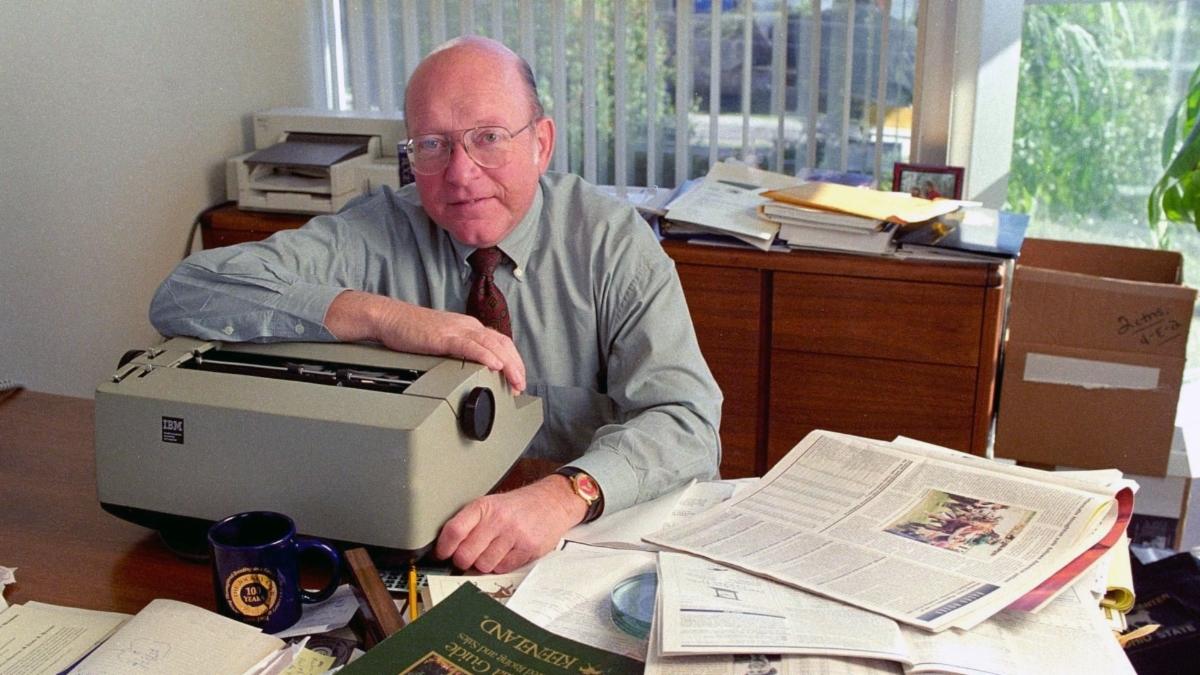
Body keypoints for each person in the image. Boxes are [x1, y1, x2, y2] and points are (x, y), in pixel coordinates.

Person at [149, 36, 722, 574]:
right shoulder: (375, 231)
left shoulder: (613, 245)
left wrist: (564, 494)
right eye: (433, 145)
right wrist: (385, 317)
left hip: (576, 550)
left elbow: (688, 422)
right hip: (411, 544)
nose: (461, 172)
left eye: (489, 137)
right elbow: (186, 292)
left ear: (541, 143)